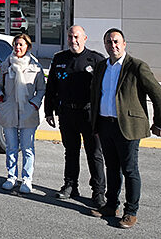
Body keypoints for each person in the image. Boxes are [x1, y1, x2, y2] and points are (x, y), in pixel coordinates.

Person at [89, 28, 161, 229]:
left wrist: (160, 123)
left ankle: (130, 212)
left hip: (128, 127)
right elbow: (95, 96)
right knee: (112, 168)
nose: (113, 45)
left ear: (124, 44)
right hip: (105, 125)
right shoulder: (101, 66)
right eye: (109, 42)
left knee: (130, 169)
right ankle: (110, 206)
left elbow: (159, 95)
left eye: (116, 42)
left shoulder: (137, 66)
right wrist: (95, 124)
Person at [44, 25, 106, 206]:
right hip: (67, 113)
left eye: (77, 37)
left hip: (89, 114)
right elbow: (51, 87)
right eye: (71, 37)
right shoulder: (59, 58)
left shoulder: (95, 59)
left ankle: (98, 192)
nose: (74, 41)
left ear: (85, 38)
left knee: (94, 153)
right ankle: (70, 186)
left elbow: (104, 90)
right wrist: (49, 111)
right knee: (70, 152)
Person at [0, 33, 46, 194]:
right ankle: (11, 176)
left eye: (21, 45)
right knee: (11, 146)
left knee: (27, 148)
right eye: (16, 44)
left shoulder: (35, 67)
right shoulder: (5, 65)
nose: (17, 48)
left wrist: (34, 104)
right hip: (9, 110)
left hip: (28, 112)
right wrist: (0, 100)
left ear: (28, 47)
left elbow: (41, 89)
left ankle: (27, 179)